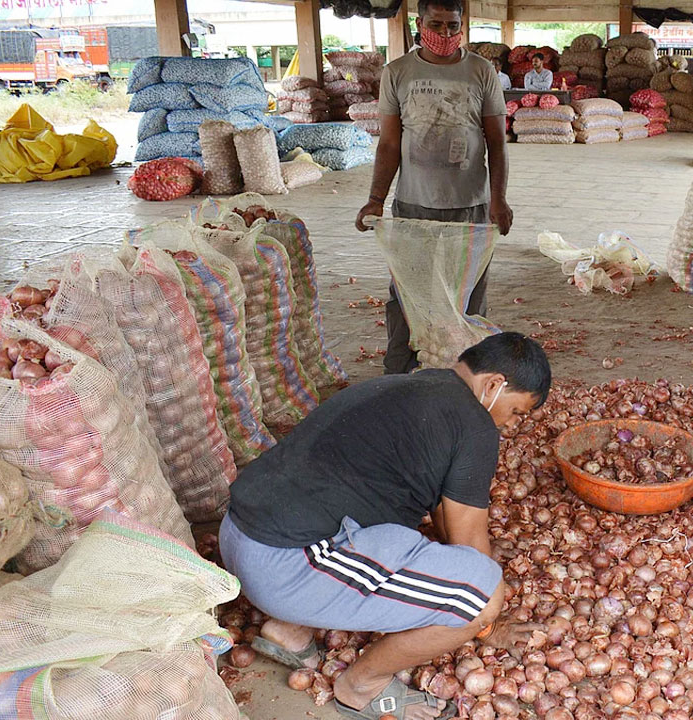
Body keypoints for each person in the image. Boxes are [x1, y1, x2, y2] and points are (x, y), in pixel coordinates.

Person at [220, 332, 551, 720]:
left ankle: (289, 631)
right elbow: (469, 543)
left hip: (240, 536)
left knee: (392, 528)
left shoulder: (410, 384)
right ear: (493, 384)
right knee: (483, 594)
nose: (511, 424)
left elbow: (445, 512)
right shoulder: (474, 424)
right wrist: (487, 624)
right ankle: (360, 685)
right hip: (284, 566)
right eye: (517, 411)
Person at [354, 0, 512, 376]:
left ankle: (468, 374)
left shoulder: (481, 71)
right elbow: (390, 144)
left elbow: (496, 142)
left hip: (470, 205)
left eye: (451, 25)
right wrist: (375, 200)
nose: (444, 34)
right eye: (436, 25)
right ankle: (398, 373)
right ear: (419, 24)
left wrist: (499, 199)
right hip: (413, 206)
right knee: (407, 294)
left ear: (462, 25)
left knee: (468, 296)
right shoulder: (397, 72)